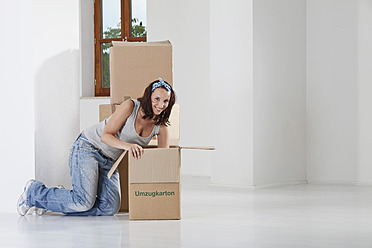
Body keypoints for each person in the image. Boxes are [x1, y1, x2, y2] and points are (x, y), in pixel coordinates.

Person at [17, 78, 176, 216]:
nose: (160, 105)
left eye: (165, 101)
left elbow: (162, 158)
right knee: (84, 202)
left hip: (109, 162)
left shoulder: (161, 127)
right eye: (157, 99)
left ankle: (58, 198)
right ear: (149, 96)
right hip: (88, 147)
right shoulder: (131, 106)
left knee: (109, 208)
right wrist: (128, 146)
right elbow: (105, 136)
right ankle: (34, 192)